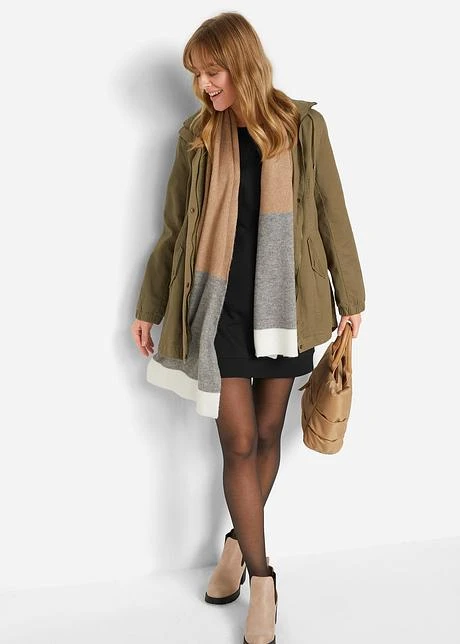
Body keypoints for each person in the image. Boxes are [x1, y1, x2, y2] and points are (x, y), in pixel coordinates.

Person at [131, 11, 365, 644]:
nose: (205, 85)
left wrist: (351, 296)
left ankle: (236, 544)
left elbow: (332, 212)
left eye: (214, 71)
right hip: (220, 308)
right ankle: (263, 579)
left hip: (287, 306)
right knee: (237, 442)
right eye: (198, 75)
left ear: (243, 63)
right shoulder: (197, 136)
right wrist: (150, 305)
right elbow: (175, 229)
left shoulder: (302, 126)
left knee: (266, 434)